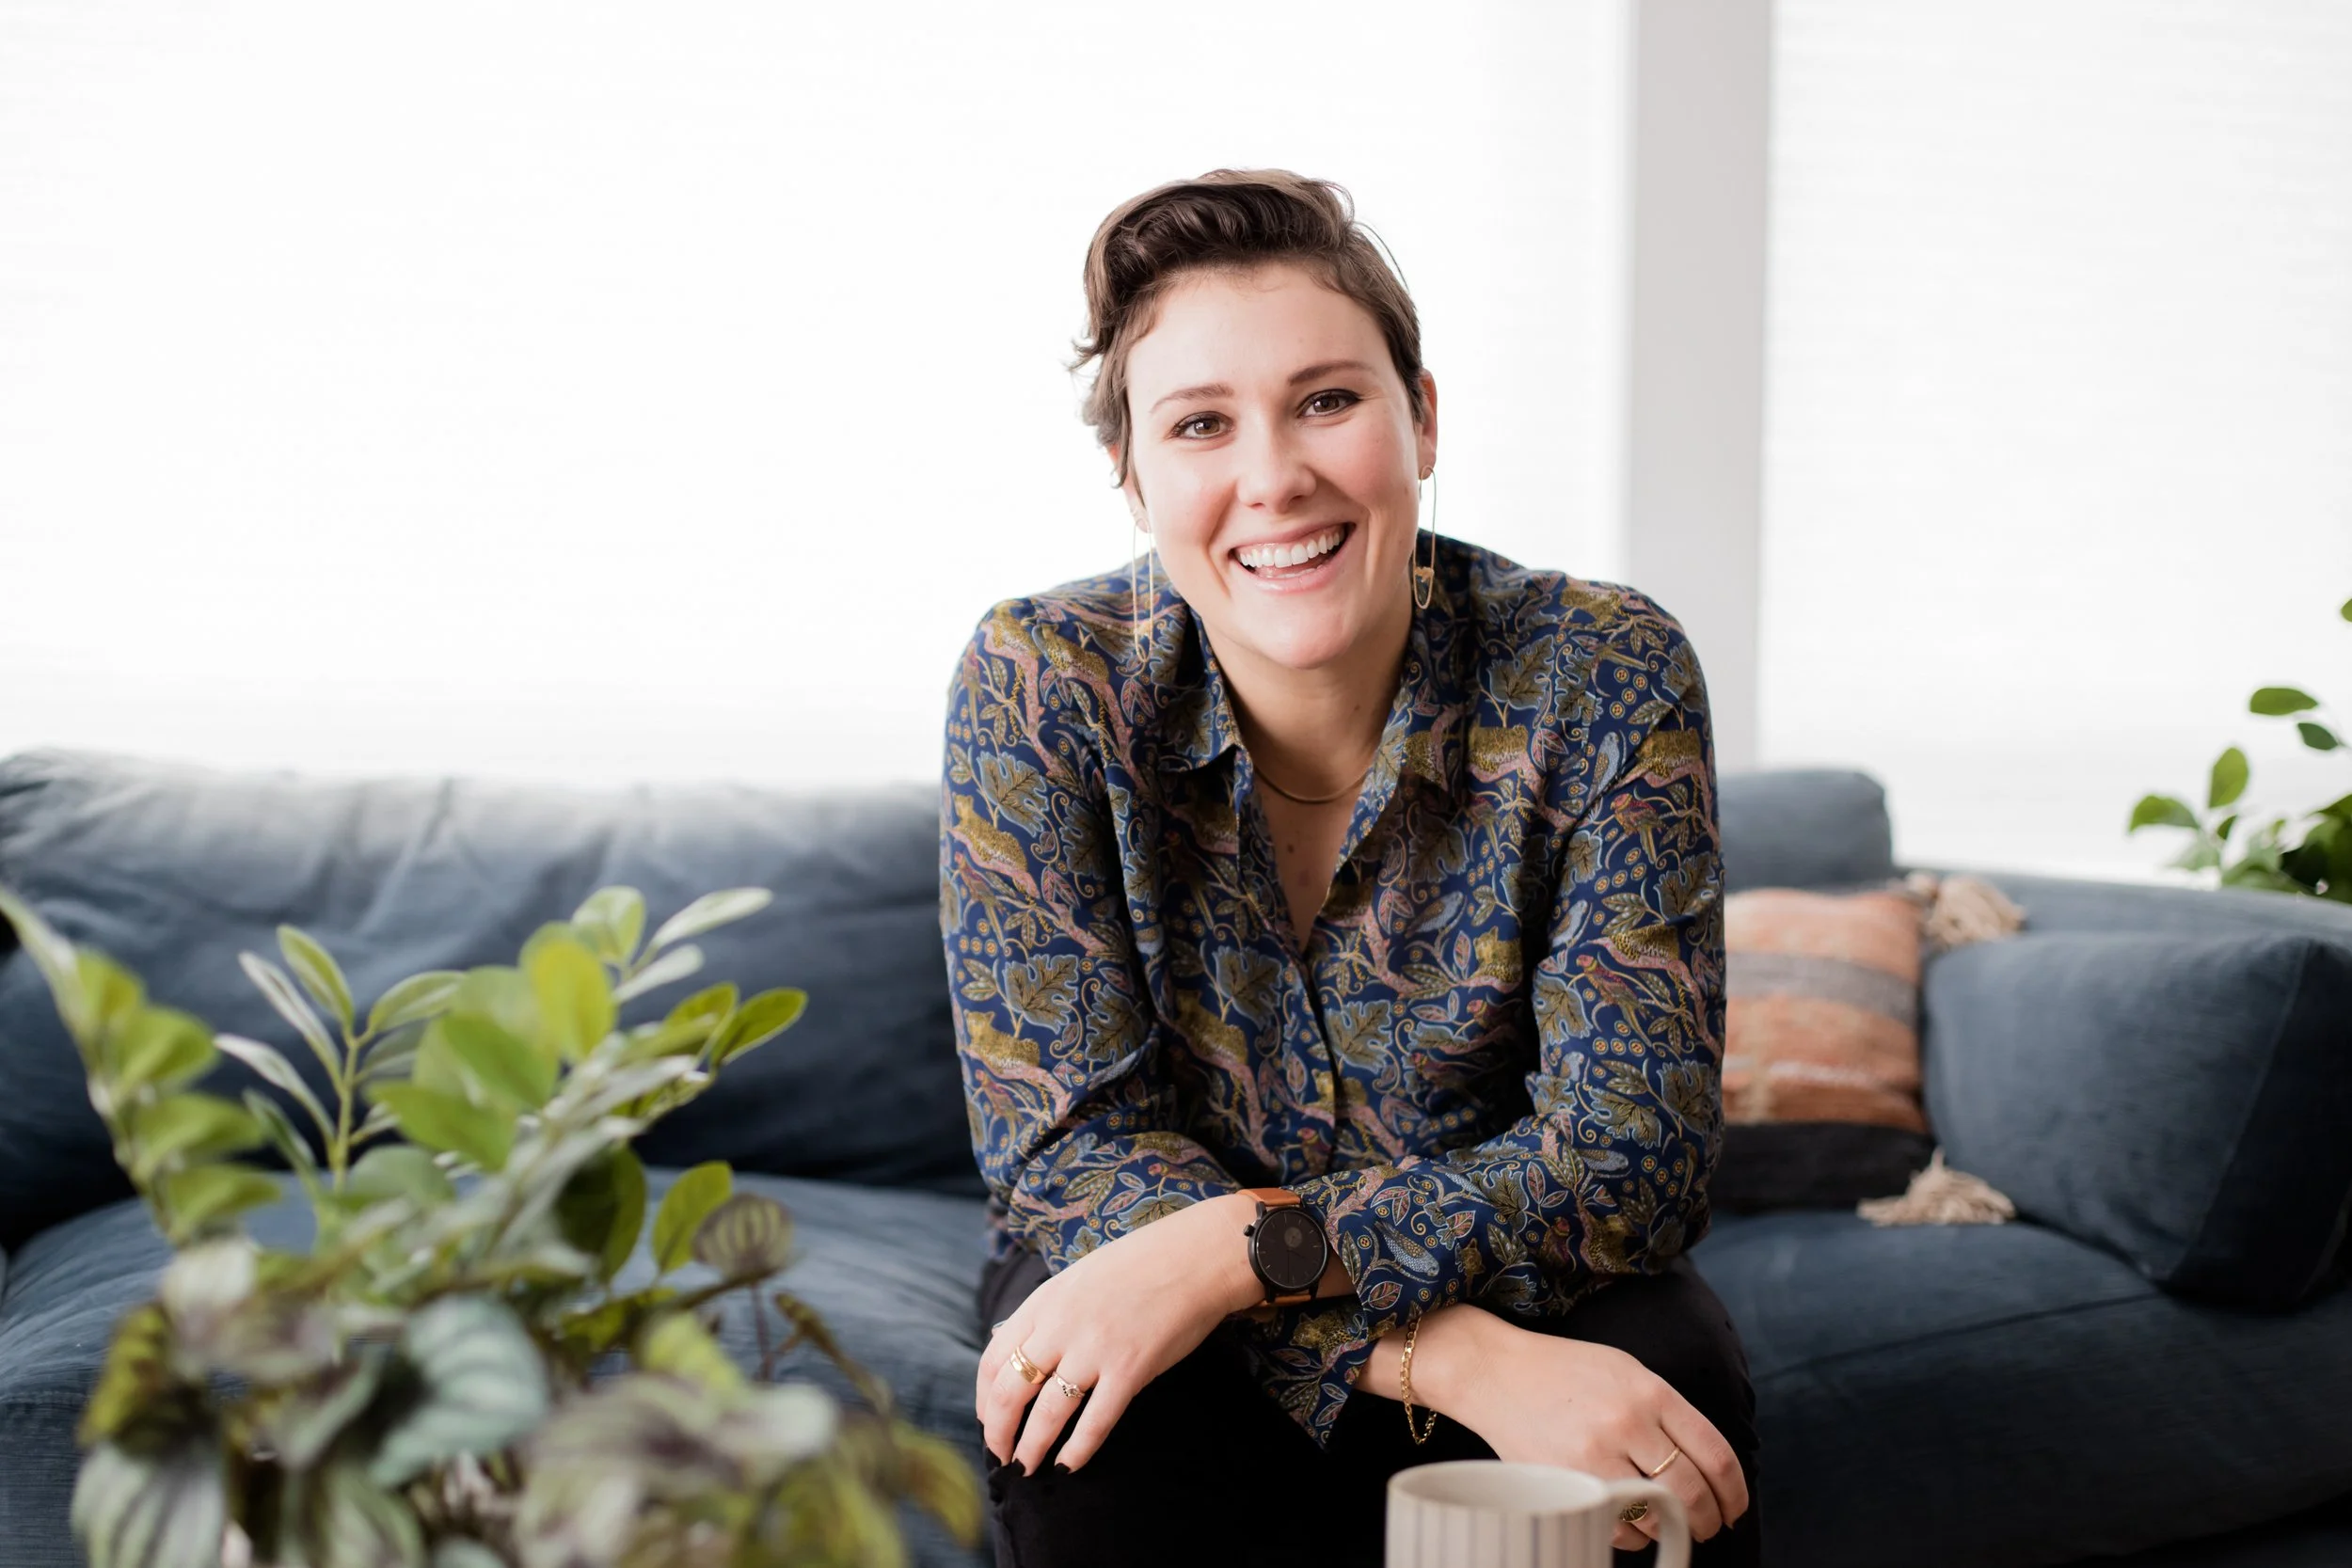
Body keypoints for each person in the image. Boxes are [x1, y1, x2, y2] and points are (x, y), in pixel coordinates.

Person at [939, 168, 1757, 1566]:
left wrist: (1228, 1258)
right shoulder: (1039, 683)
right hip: (1160, 1266)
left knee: (1660, 1436)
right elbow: (1071, 1153)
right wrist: (1451, 1361)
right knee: (1089, 1435)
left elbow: (1628, 1159)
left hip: (1515, 1268)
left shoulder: (1604, 670)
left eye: (1328, 399)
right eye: (1202, 424)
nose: (1277, 477)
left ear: (1421, 418)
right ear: (1134, 481)